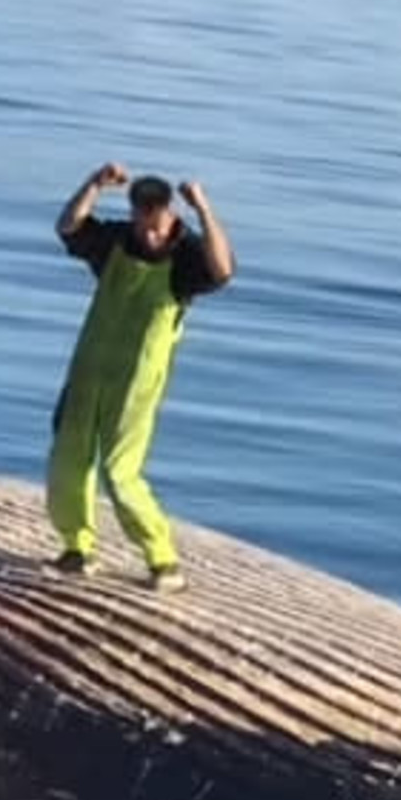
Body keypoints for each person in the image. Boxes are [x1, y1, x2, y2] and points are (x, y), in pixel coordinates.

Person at [48, 162, 235, 592]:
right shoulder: (117, 241)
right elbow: (69, 228)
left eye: (156, 226)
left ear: (169, 214)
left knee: (120, 471)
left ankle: (162, 559)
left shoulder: (186, 255)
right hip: (89, 370)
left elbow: (222, 270)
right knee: (67, 459)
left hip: (135, 384)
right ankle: (77, 548)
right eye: (141, 224)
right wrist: (94, 183)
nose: (149, 235)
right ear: (133, 214)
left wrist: (204, 208)